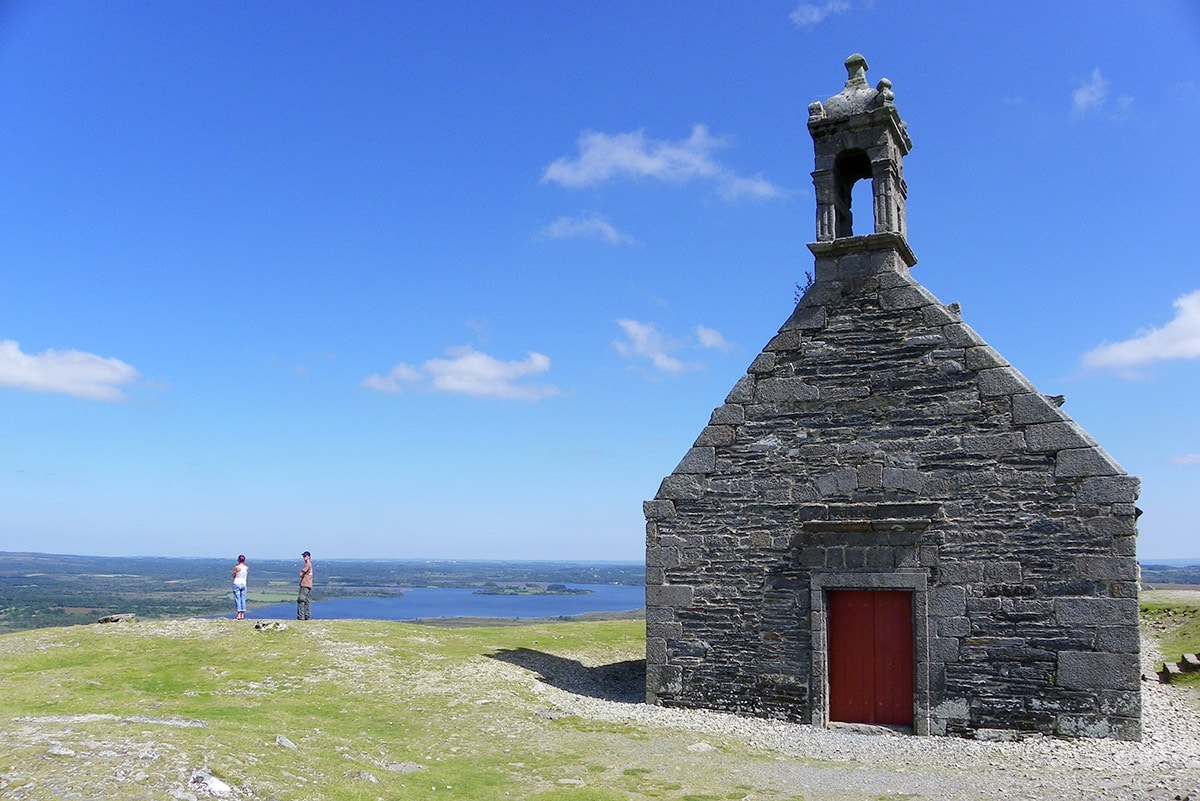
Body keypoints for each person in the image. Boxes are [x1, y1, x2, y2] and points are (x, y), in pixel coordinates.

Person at [231, 554, 249, 620]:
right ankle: (242, 615)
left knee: (237, 599)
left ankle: (238, 614)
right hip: (244, 583)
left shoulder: (237, 567)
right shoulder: (247, 568)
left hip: (237, 583)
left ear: (238, 560)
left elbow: (233, 575)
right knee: (243, 599)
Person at [297, 551, 313, 620]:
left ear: (308, 557)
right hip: (309, 584)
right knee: (307, 601)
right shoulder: (310, 564)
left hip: (305, 584)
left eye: (305, 556)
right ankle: (307, 616)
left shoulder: (307, 564)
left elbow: (301, 574)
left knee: (301, 600)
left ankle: (301, 616)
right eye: (303, 556)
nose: (304, 558)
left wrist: (302, 574)